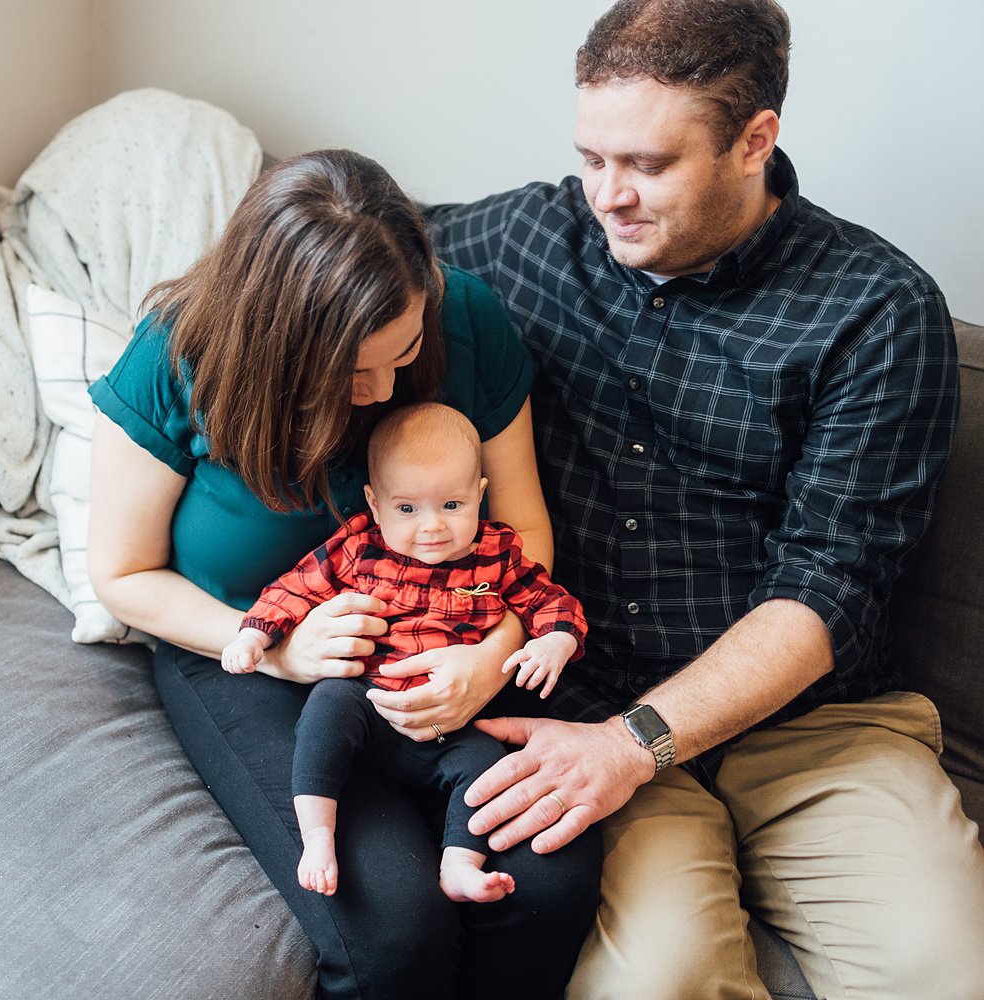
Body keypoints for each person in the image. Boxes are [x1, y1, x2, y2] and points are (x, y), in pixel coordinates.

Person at [424, 1, 984, 997]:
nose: (608, 196)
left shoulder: (877, 308)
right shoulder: (528, 237)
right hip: (588, 706)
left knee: (942, 970)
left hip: (816, 730)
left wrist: (635, 746)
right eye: (591, 157)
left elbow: (829, 586)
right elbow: (341, 250)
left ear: (754, 141)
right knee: (655, 983)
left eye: (646, 164)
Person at [87, 149, 601, 1000]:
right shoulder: (177, 353)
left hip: (455, 636)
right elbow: (122, 573)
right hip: (245, 653)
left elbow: (524, 530)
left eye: (400, 354)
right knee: (390, 925)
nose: (384, 391)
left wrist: (490, 656)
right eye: (351, 372)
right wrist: (281, 650)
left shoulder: (463, 318)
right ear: (274, 345)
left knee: (548, 879)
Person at [223, 401, 586, 904]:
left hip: (454, 724)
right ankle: (317, 839)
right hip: (368, 703)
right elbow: (297, 587)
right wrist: (255, 635)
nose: (432, 526)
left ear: (479, 495)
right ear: (375, 505)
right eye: (408, 509)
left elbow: (548, 601)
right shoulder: (359, 548)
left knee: (488, 769)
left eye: (452, 506)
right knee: (326, 708)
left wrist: (556, 639)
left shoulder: (497, 555)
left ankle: (459, 865)